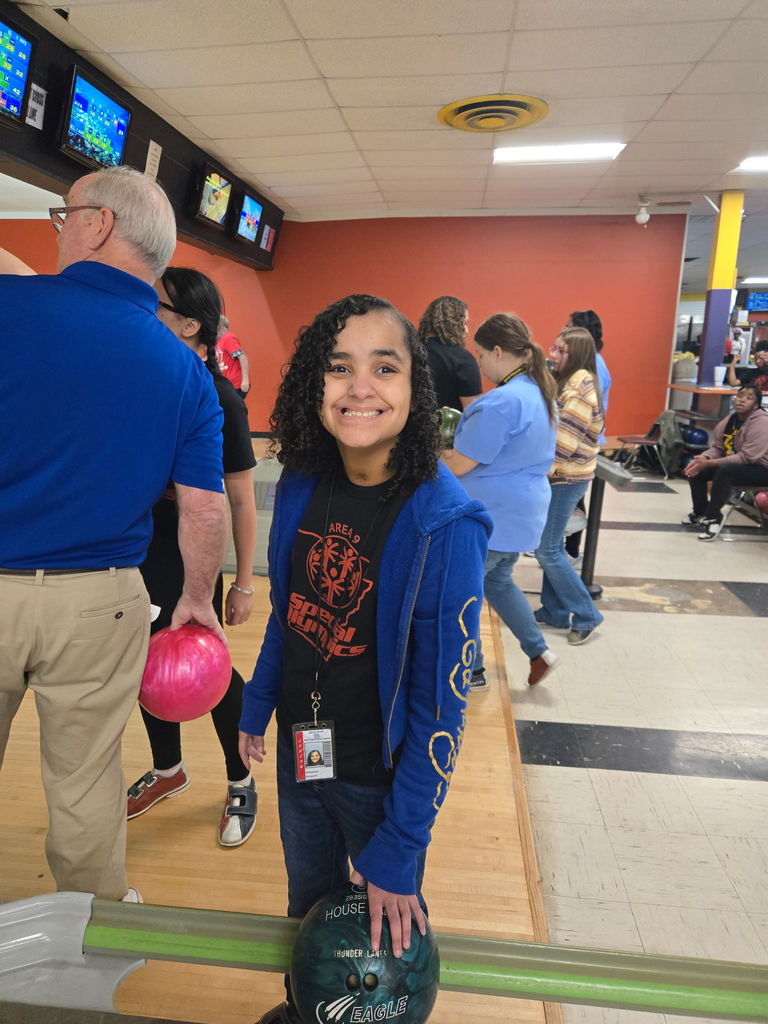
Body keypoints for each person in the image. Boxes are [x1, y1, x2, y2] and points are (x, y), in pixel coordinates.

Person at [237, 293, 490, 1024]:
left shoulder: (446, 523)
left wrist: (402, 845)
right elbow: (293, 608)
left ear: (416, 390)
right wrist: (259, 701)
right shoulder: (303, 481)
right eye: (339, 367)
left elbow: (441, 707)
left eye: (385, 367)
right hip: (301, 752)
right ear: (314, 384)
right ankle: (305, 1006)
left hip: (379, 781)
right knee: (307, 916)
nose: (360, 387)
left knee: (386, 941)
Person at [0, 166, 227, 903]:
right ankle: (89, 947)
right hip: (103, 605)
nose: (59, 229)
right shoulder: (186, 371)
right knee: (87, 784)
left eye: (62, 216)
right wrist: (198, 598)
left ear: (97, 225)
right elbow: (204, 506)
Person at [126, 268, 258, 847]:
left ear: (188, 324)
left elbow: (241, 500)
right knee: (143, 665)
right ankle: (169, 770)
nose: (141, 310)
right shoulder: (141, 381)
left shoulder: (221, 399)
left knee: (211, 673)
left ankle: (240, 778)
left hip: (189, 558)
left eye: (155, 304)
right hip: (133, 553)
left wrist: (245, 583)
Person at [444, 313, 559, 687]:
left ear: (497, 351)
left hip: (491, 517)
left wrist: (431, 455)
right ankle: (539, 650)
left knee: (460, 593)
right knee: (498, 583)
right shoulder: (539, 392)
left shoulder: (502, 402)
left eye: (479, 354)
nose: (477, 363)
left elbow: (460, 463)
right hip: (520, 515)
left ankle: (472, 669)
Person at [535, 327, 605, 645]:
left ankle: (587, 614)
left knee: (547, 550)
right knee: (552, 547)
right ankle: (555, 611)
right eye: (554, 347)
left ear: (574, 354)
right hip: (566, 475)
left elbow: (563, 446)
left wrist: (535, 473)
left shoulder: (578, 393)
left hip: (566, 478)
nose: (553, 355)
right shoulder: (573, 384)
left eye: (560, 350)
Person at [682, 384, 768, 540]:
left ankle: (714, 518)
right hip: (744, 466)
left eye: (749, 398)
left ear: (756, 405)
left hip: (762, 468)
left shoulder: (761, 422)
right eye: (740, 395)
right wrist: (705, 458)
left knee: (725, 471)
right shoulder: (730, 420)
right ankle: (700, 512)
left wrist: (712, 463)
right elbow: (718, 448)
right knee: (698, 469)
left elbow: (748, 457)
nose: (742, 400)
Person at [564, 310, 612, 563]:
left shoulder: (594, 367)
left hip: (582, 445)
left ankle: (571, 550)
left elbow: (585, 412)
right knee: (568, 499)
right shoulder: (583, 363)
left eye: (567, 327)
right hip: (577, 443)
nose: (562, 331)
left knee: (573, 498)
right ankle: (560, 545)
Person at [418, 295, 482, 410]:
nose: (467, 330)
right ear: (453, 323)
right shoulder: (463, 359)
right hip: (450, 427)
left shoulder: (410, 352)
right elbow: (472, 411)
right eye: (464, 323)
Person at [216, 314, 250, 398]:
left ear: (220, 327)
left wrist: (245, 380)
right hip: (227, 383)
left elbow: (242, 357)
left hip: (235, 384)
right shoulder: (219, 341)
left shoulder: (228, 338)